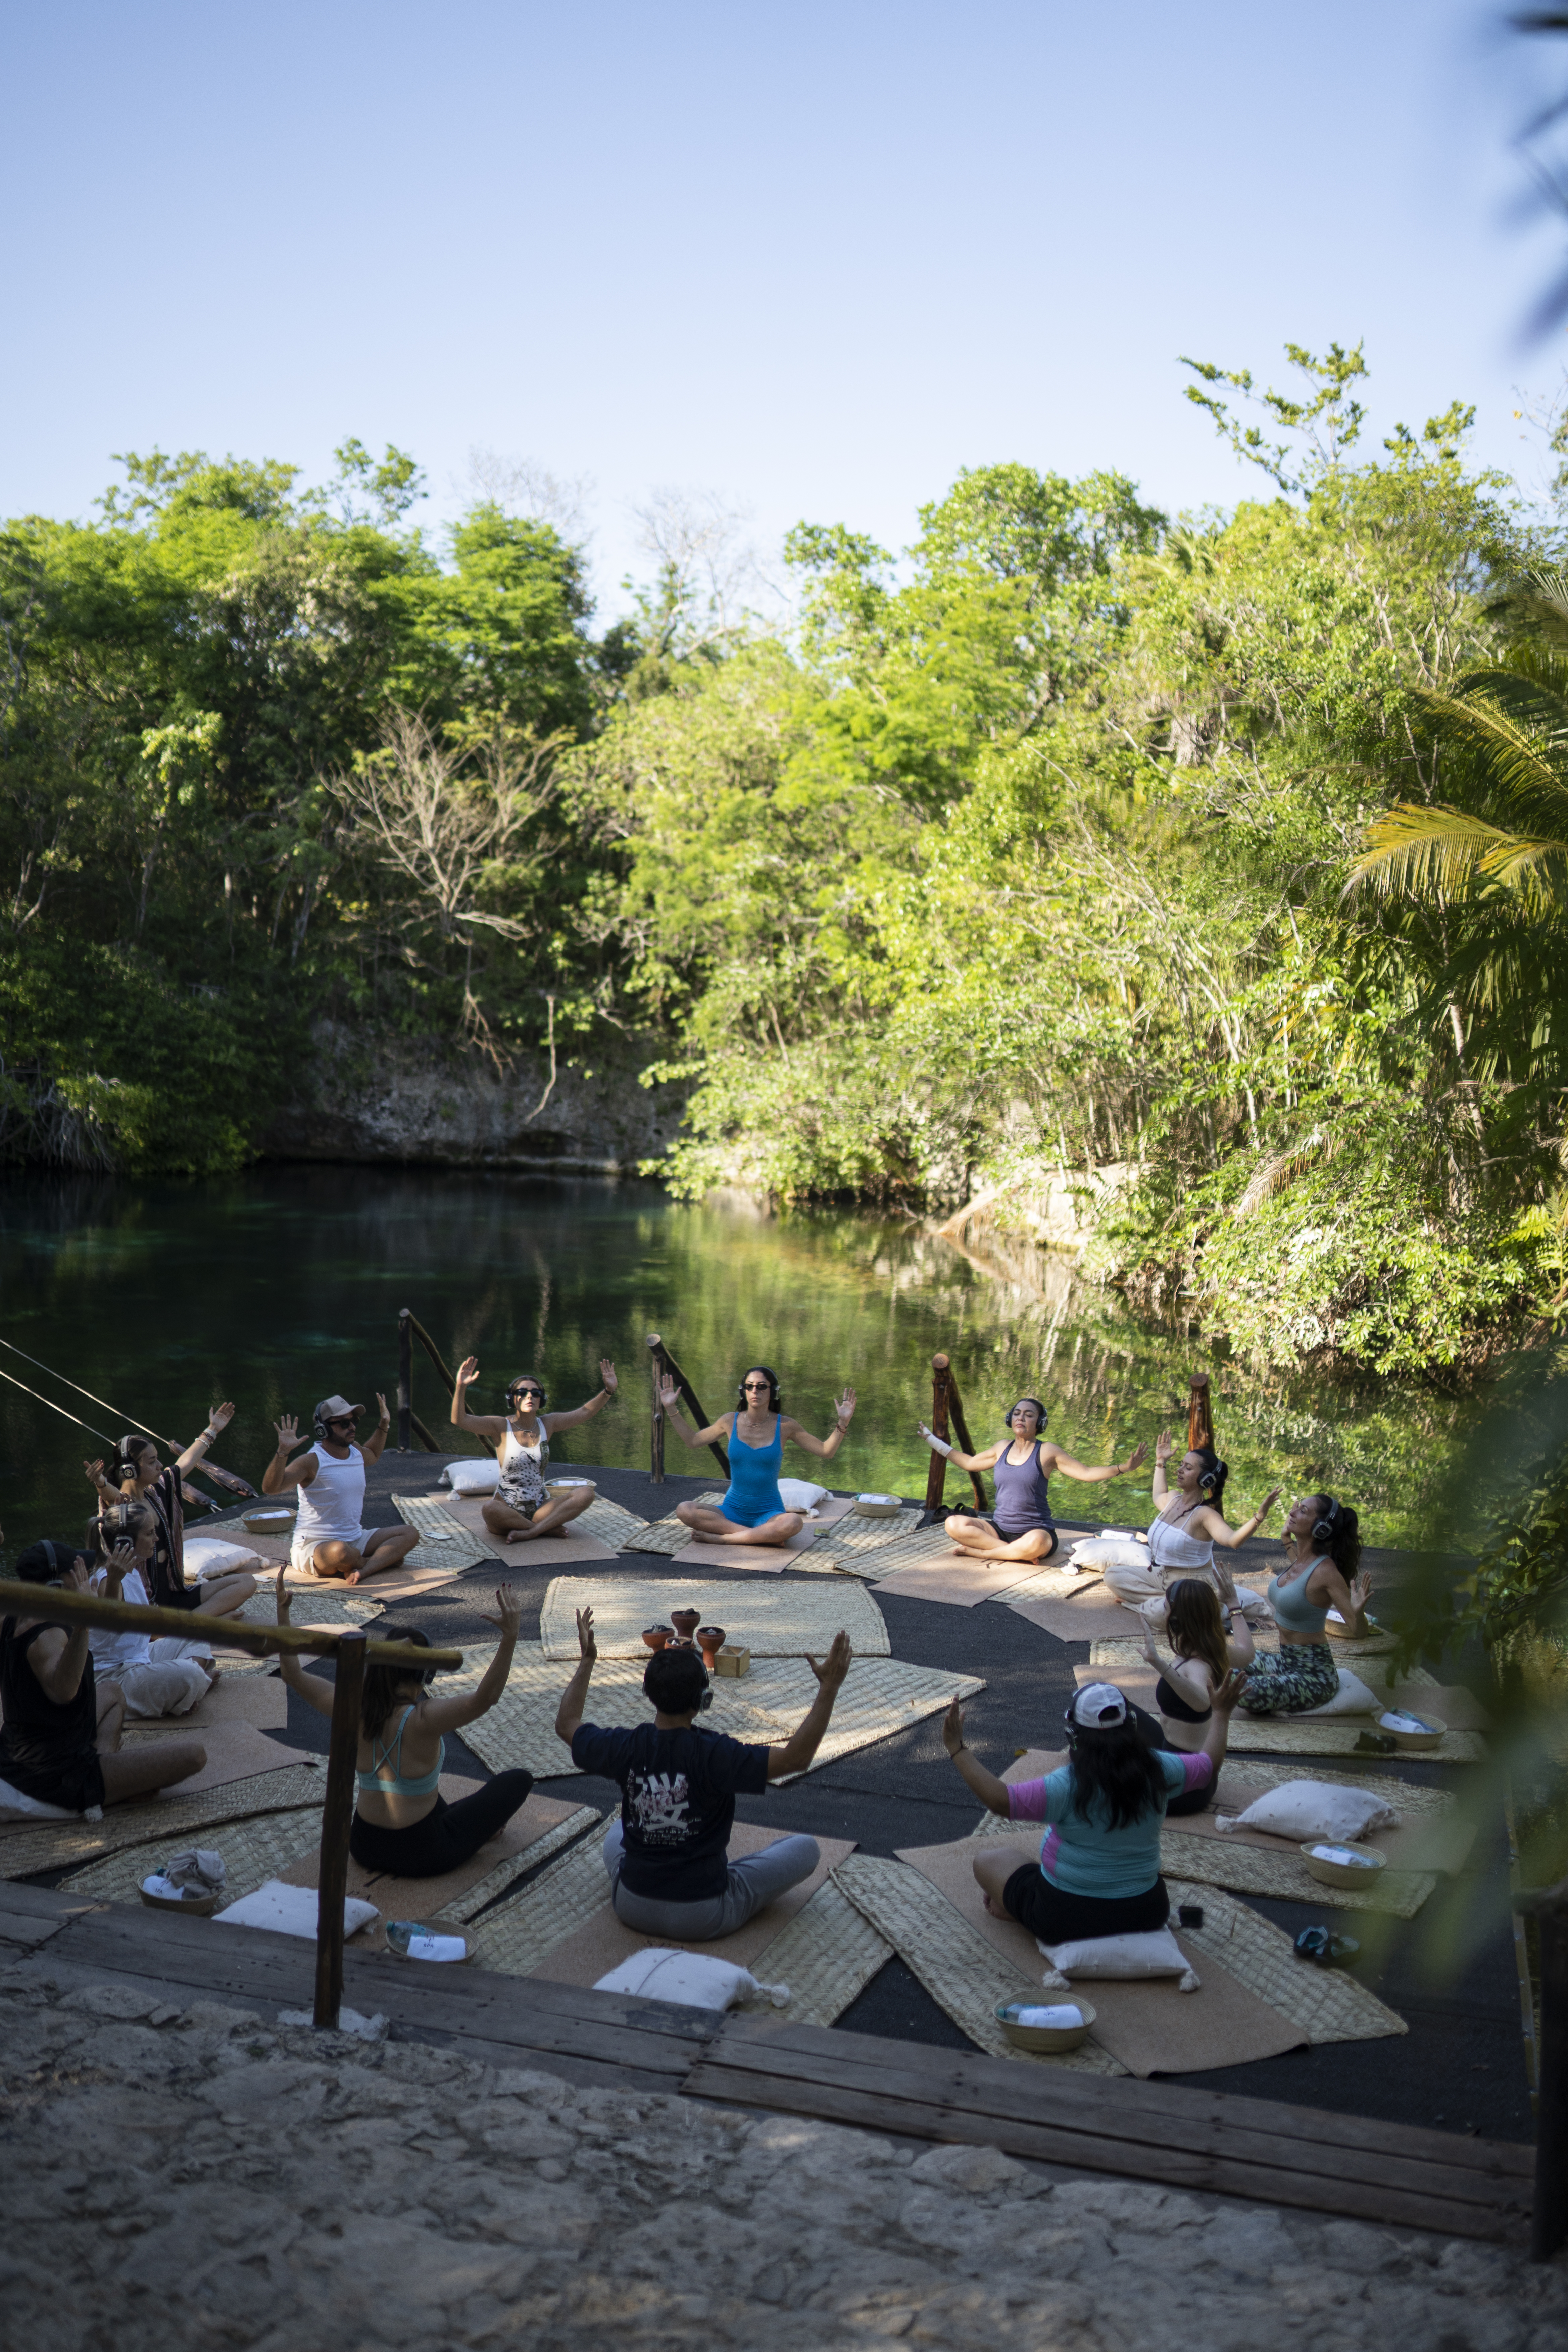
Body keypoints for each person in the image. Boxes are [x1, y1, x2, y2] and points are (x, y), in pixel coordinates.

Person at [555, 1606, 851, 1938]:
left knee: (617, 1833)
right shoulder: (716, 1753)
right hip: (704, 1914)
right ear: (703, 1700)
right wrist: (829, 1688)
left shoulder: (626, 1745)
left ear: (649, 1693)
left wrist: (587, 1661)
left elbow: (567, 1725)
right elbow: (796, 1759)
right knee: (806, 1849)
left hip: (630, 1904)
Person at [274, 1575, 537, 1875]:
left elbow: (292, 1675)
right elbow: (486, 1698)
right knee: (518, 1780)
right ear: (425, 1677)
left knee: (439, 1805)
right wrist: (510, 1637)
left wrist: (284, 1613)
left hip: (363, 1844)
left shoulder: (351, 1707)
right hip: (422, 1853)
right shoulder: (424, 1719)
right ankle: (479, 1833)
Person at [949, 1675, 1241, 1942]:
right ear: (1133, 1725)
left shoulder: (1065, 1785)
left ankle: (1021, 1912)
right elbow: (1208, 1767)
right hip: (1147, 1912)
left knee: (987, 1861)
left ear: (1074, 1735)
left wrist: (958, 1750)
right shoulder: (1160, 1768)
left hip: (1063, 1918)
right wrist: (1222, 1714)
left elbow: (1001, 1800)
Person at [0, 1543, 206, 1812]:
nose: (89, 1579)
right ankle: (100, 1790)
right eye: (83, 1573)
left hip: (22, 1749)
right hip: (53, 1774)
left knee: (112, 1692)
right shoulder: (47, 1636)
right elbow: (65, 1691)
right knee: (194, 1755)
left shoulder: (11, 1615)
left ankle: (108, 1778)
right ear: (57, 1585)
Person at [918, 1396, 1148, 1564]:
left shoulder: (1047, 1452)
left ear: (1040, 1424)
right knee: (953, 1524)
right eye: (1017, 1413)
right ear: (1010, 1419)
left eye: (1029, 1415)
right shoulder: (1002, 1448)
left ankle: (982, 1552)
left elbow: (1086, 1474)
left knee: (1037, 1544)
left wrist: (1124, 1468)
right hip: (998, 1529)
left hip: (1036, 1532)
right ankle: (1013, 1552)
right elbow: (969, 1463)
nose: (1021, 1418)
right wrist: (932, 1440)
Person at [656, 1365, 858, 1548]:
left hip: (769, 1513)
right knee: (685, 1510)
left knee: (794, 1522)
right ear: (743, 1390)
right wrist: (671, 1408)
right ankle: (762, 1537)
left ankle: (725, 1538)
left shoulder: (786, 1426)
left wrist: (843, 1422)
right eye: (750, 1386)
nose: (755, 1391)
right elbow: (693, 1441)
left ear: (773, 1392)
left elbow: (826, 1451)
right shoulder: (729, 1421)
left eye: (762, 1387)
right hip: (732, 1510)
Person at [86, 1408, 257, 1618]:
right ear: (130, 1470)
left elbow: (185, 1463)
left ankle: (189, 1625)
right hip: (144, 1604)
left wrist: (212, 1430)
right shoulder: (124, 1508)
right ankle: (197, 1625)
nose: (160, 1466)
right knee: (149, 1627)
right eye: (152, 1462)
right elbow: (111, 1495)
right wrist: (100, 1483)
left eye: (158, 1459)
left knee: (246, 1583)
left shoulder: (158, 1491)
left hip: (174, 1594)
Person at [1099, 1432, 1279, 1622]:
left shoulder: (1205, 1515)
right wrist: (1161, 1461)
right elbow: (1158, 1494)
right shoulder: (1173, 1499)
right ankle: (1180, 1605)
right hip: (1162, 1575)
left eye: (1189, 1468)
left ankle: (1193, 1607)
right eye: (1181, 1465)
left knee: (1161, 1617)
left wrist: (1258, 1518)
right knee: (1113, 1576)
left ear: (1206, 1480)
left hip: (1193, 1584)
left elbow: (1233, 1541)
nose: (1180, 1470)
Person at [449, 1356, 619, 1543]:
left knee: (586, 1493)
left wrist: (608, 1391)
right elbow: (460, 1420)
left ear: (542, 1400)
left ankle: (532, 1532)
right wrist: (461, 1387)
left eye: (535, 1393)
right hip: (506, 1511)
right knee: (489, 1509)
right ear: (512, 1399)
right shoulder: (500, 1426)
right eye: (522, 1392)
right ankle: (546, 1530)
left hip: (540, 1509)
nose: (529, 1396)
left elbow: (585, 1412)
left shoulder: (548, 1424)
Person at [261, 1394, 421, 1583]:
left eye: (354, 1421)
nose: (352, 1427)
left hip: (356, 1538)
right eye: (344, 1424)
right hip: (316, 1547)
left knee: (410, 1533)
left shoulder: (356, 1451)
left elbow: (374, 1455)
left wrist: (384, 1423)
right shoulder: (311, 1461)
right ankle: (376, 1562)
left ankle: (364, 1568)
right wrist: (283, 1452)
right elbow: (271, 1488)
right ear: (323, 1429)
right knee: (341, 1552)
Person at [1238, 1493, 1370, 1715]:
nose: (1293, 1512)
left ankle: (1275, 1687)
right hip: (1286, 1662)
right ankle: (1278, 1683)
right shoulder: (1302, 1563)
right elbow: (1302, 1573)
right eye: (1298, 1507)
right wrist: (1286, 1537)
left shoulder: (1328, 1572)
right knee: (1221, 1661)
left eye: (1303, 1511)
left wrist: (1359, 1613)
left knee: (1248, 1692)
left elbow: (1359, 1633)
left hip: (1315, 1676)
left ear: (1322, 1528)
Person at [1136, 1577, 1255, 1813]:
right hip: (1173, 1753)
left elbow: (1202, 1702)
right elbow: (1247, 1653)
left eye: (1166, 1607)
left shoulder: (1198, 1664)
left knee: (1106, 1775)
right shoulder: (1213, 1649)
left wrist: (1159, 1664)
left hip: (1184, 1783)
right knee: (1117, 1707)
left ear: (1178, 1620)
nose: (1162, 1609)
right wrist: (1233, 1604)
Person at [84, 1506, 215, 1718]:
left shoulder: (132, 1572)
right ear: (124, 1542)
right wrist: (115, 1581)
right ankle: (191, 1689)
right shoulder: (108, 1579)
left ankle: (188, 1692)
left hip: (139, 1659)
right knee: (189, 1674)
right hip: (113, 1679)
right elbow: (109, 1619)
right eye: (149, 1533)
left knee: (196, 1637)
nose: (156, 1539)